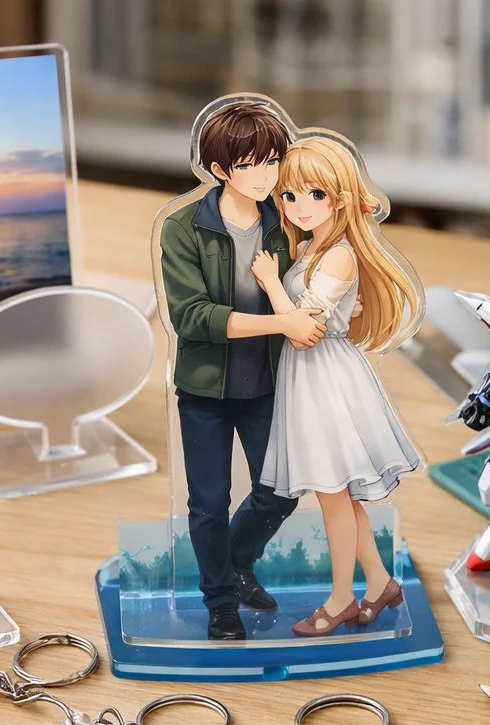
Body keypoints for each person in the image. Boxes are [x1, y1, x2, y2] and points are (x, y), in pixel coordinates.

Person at [159, 101, 330, 641]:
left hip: (270, 384)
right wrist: (283, 322)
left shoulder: (287, 219)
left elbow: (329, 249)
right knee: (208, 503)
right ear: (219, 169)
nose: (265, 175)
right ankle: (221, 603)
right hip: (205, 390)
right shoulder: (183, 227)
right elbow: (191, 317)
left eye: (272, 161)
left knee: (281, 490)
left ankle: (236, 563)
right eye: (249, 165)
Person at [251, 137, 422, 636]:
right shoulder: (311, 248)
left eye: (315, 195)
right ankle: (381, 584)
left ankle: (341, 599)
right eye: (289, 196)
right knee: (341, 498)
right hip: (309, 378)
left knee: (332, 495)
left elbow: (304, 330)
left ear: (340, 198)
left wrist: (272, 282)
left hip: (325, 377)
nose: (300, 206)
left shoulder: (339, 257)